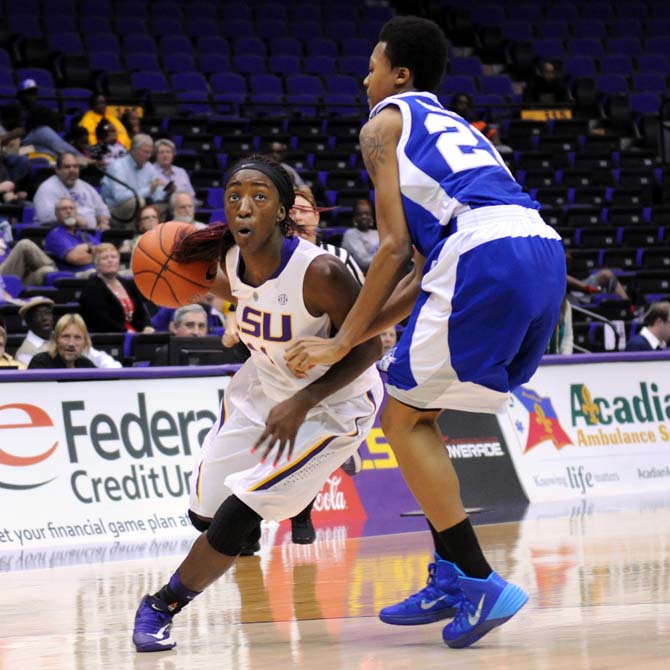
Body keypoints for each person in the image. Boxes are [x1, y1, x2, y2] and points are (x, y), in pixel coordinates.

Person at [285, 16, 565, 649]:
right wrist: (357, 335)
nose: (365, 77)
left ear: (399, 75)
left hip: (482, 254)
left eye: (373, 65)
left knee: (403, 422)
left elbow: (388, 249)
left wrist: (337, 342)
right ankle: (449, 573)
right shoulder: (458, 129)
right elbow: (421, 276)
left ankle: (476, 578)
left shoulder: (382, 124)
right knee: (419, 416)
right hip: (539, 249)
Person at [131, 154, 383, 652]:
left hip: (332, 408)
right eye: (233, 197)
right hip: (261, 392)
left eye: (259, 197)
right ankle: (245, 527)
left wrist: (303, 400)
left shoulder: (322, 273)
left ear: (285, 211)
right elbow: (182, 277)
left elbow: (370, 346)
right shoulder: (225, 264)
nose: (244, 206)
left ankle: (160, 605)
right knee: (204, 514)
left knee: (239, 510)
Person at [290, 185, 366, 285]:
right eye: (291, 213)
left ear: (316, 217)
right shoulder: (273, 261)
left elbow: (362, 296)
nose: (297, 217)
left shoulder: (340, 257)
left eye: (304, 211)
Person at [78, 243, 154, 334]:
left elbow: (142, 311)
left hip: (135, 334)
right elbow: (101, 320)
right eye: (104, 258)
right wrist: (126, 332)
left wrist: (147, 326)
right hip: (109, 339)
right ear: (96, 263)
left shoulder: (128, 284)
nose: (110, 260)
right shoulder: (92, 289)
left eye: (113, 257)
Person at [1, 79, 84, 159]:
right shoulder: (12, 109)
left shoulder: (38, 110)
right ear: (20, 94)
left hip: (23, 148)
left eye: (34, 93)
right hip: (7, 152)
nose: (32, 96)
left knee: (47, 149)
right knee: (44, 133)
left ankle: (77, 161)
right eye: (28, 93)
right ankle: (81, 159)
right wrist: (11, 135)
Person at [34, 151, 111, 230]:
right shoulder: (47, 188)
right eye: (67, 167)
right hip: (61, 234)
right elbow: (46, 217)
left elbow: (102, 210)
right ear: (57, 170)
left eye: (75, 167)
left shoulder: (85, 186)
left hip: (89, 235)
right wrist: (76, 220)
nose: (72, 170)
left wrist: (103, 223)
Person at [101, 134, 166, 227]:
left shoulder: (149, 167)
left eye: (150, 152)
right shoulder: (117, 167)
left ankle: (156, 237)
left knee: (165, 205)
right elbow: (120, 197)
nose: (149, 156)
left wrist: (165, 192)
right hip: (114, 210)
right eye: (145, 152)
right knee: (138, 202)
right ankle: (131, 235)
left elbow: (157, 194)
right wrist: (149, 190)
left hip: (139, 204)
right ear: (133, 150)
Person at [43, 197, 101, 274]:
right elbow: (74, 259)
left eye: (72, 208)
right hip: (76, 276)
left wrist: (86, 249)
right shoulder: (55, 235)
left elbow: (104, 252)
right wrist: (90, 248)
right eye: (64, 209)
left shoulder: (84, 235)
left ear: (76, 213)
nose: (69, 211)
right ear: (57, 214)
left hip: (98, 272)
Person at [28, 313, 96, 369]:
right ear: (56, 340)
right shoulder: (40, 363)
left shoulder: (87, 365)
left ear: (85, 343)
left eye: (77, 337)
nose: (71, 343)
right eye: (66, 336)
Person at [341, 198, 379, 273]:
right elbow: (363, 263)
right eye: (360, 214)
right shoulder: (350, 234)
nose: (364, 216)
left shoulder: (377, 233)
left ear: (372, 217)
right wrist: (385, 257)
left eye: (367, 213)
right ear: (354, 217)